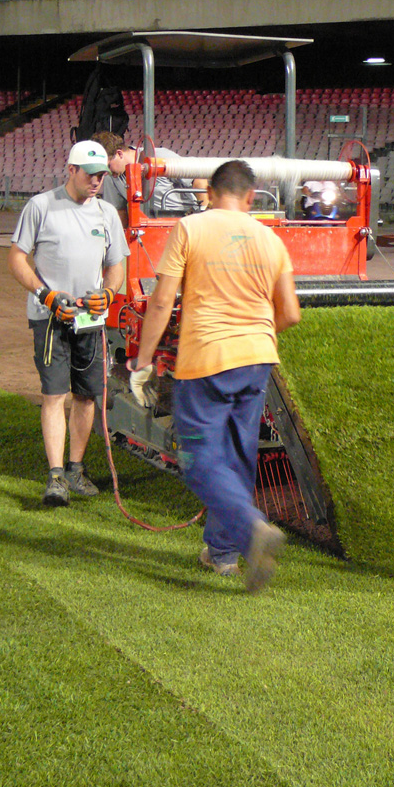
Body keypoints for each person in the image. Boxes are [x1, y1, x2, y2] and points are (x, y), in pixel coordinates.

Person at [129, 159, 301, 593]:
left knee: (198, 458)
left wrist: (143, 361)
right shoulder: (270, 239)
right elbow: (291, 313)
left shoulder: (190, 228)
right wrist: (254, 334)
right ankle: (222, 554)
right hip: (257, 359)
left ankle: (250, 528)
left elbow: (162, 301)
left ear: (209, 193)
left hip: (206, 357)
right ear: (251, 197)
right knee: (238, 457)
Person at [8, 140, 130, 507]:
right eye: (90, 174)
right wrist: (45, 295)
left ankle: (76, 469)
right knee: (54, 395)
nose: (96, 181)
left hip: (90, 320)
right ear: (71, 170)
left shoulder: (106, 213)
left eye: (101, 175)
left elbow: (117, 265)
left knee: (86, 394)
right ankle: (56, 476)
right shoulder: (41, 206)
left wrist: (108, 293)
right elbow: (16, 258)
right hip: (50, 319)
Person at [91, 131, 208, 219]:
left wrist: (204, 213)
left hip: (184, 220)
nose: (107, 172)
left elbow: (198, 179)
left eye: (108, 166)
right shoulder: (111, 177)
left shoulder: (160, 157)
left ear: (119, 154)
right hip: (149, 227)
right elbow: (120, 212)